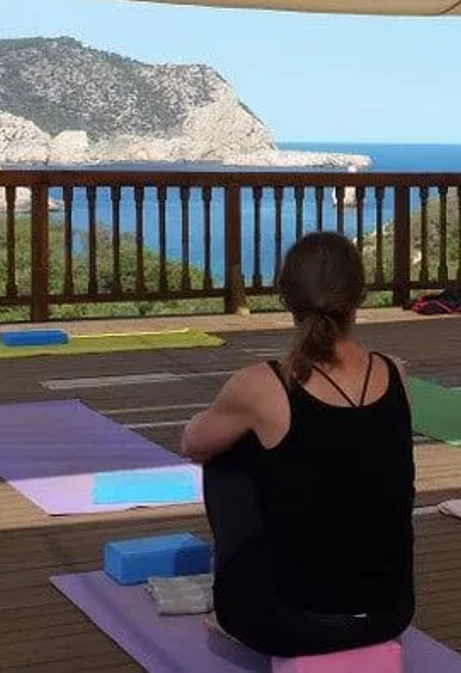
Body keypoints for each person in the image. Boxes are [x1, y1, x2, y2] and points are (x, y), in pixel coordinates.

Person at [179, 231, 415, 657]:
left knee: (227, 456)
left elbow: (193, 445)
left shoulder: (261, 385)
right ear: (360, 297)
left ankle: (233, 605)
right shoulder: (395, 373)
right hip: (390, 613)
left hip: (289, 626)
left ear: (286, 299)